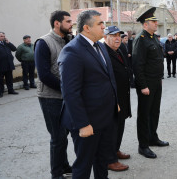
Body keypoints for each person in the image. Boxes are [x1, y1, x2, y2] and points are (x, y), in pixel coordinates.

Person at [58, 10, 118, 179]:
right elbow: (70, 92)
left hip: (104, 117)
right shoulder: (72, 51)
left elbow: (108, 77)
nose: (104, 27)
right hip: (87, 121)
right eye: (100, 24)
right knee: (83, 165)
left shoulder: (99, 45)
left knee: (102, 161)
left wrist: (115, 102)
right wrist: (83, 124)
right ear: (86, 27)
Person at [34, 10, 73, 179]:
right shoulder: (43, 42)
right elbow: (44, 75)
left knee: (64, 135)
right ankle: (56, 174)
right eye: (68, 21)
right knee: (57, 137)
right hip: (50, 97)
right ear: (57, 23)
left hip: (66, 96)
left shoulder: (69, 40)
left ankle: (64, 166)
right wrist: (67, 88)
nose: (71, 24)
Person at [132, 5, 168, 159]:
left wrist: (159, 79)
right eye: (153, 22)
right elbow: (137, 65)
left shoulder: (153, 38)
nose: (156, 23)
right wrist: (143, 85)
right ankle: (143, 145)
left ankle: (153, 137)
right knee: (144, 115)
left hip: (156, 82)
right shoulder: (140, 39)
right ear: (145, 24)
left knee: (154, 112)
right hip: (146, 84)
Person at [103, 26, 131, 172]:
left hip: (122, 95)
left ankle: (116, 150)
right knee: (111, 128)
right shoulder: (102, 52)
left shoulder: (121, 49)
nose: (117, 38)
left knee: (120, 125)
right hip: (111, 98)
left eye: (119, 35)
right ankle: (110, 159)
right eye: (113, 35)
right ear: (105, 37)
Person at [0, 32, 18, 97]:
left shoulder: (6, 43)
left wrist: (9, 42)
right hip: (0, 65)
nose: (3, 37)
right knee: (0, 79)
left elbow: (14, 49)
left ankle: (10, 90)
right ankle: (0, 92)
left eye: (3, 36)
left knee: (9, 78)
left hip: (9, 64)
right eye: (1, 36)